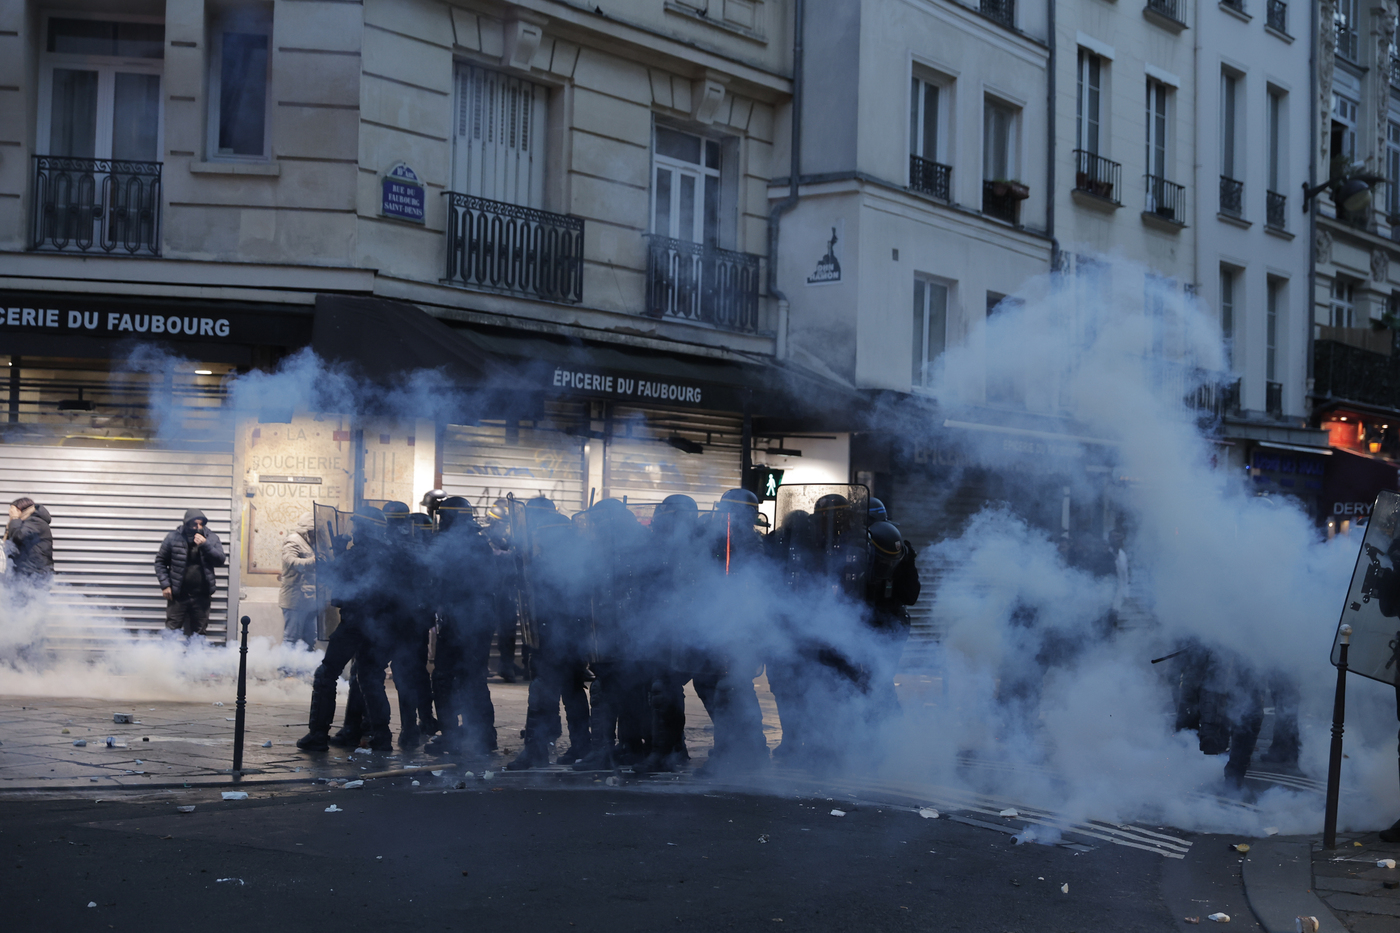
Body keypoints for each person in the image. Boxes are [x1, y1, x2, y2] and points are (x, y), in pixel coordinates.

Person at [298, 506, 395, 752]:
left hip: (355, 622)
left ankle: (318, 735)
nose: (354, 532)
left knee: (327, 673)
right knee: (371, 678)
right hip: (381, 626)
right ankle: (381, 736)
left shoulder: (358, 554)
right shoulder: (390, 554)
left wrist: (338, 553)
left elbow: (334, 578)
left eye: (357, 527)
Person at [154, 508, 226, 637]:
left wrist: (205, 545)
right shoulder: (173, 537)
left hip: (201, 596)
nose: (198, 527)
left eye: (201, 524)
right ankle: (166, 657)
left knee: (199, 634)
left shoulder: (212, 538)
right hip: (178, 596)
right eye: (194, 524)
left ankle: (196, 657)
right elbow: (160, 561)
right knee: (171, 632)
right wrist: (165, 585)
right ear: (186, 523)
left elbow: (220, 560)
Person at [279, 512, 318, 649]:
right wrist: (312, 561)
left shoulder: (311, 542)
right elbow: (290, 561)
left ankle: (305, 669)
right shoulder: (294, 540)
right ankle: (285, 670)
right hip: (295, 599)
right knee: (291, 638)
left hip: (309, 600)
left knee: (310, 639)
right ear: (308, 530)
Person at [4, 497, 54, 584]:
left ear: (19, 509)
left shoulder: (36, 522)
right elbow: (9, 546)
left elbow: (18, 536)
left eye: (12, 510)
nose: (10, 514)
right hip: (24, 576)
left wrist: (15, 518)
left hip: (35, 576)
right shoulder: (21, 523)